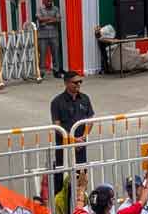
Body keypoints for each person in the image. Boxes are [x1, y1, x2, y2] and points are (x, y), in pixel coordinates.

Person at [51, 71, 94, 200]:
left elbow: (90, 119)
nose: (78, 85)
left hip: (80, 147)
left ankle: (80, 205)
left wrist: (84, 137)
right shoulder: (57, 102)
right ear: (66, 83)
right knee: (62, 179)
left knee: (81, 179)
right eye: (75, 82)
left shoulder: (85, 99)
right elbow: (57, 126)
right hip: (64, 148)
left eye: (80, 82)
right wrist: (73, 139)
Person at [35, 0, 63, 79]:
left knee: (55, 53)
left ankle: (56, 71)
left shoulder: (55, 9)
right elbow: (39, 19)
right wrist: (51, 19)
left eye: (51, 1)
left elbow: (58, 19)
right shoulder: (40, 9)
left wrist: (46, 21)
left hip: (54, 35)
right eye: (48, 1)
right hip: (42, 36)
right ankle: (42, 72)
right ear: (44, 1)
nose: (50, 3)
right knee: (42, 54)